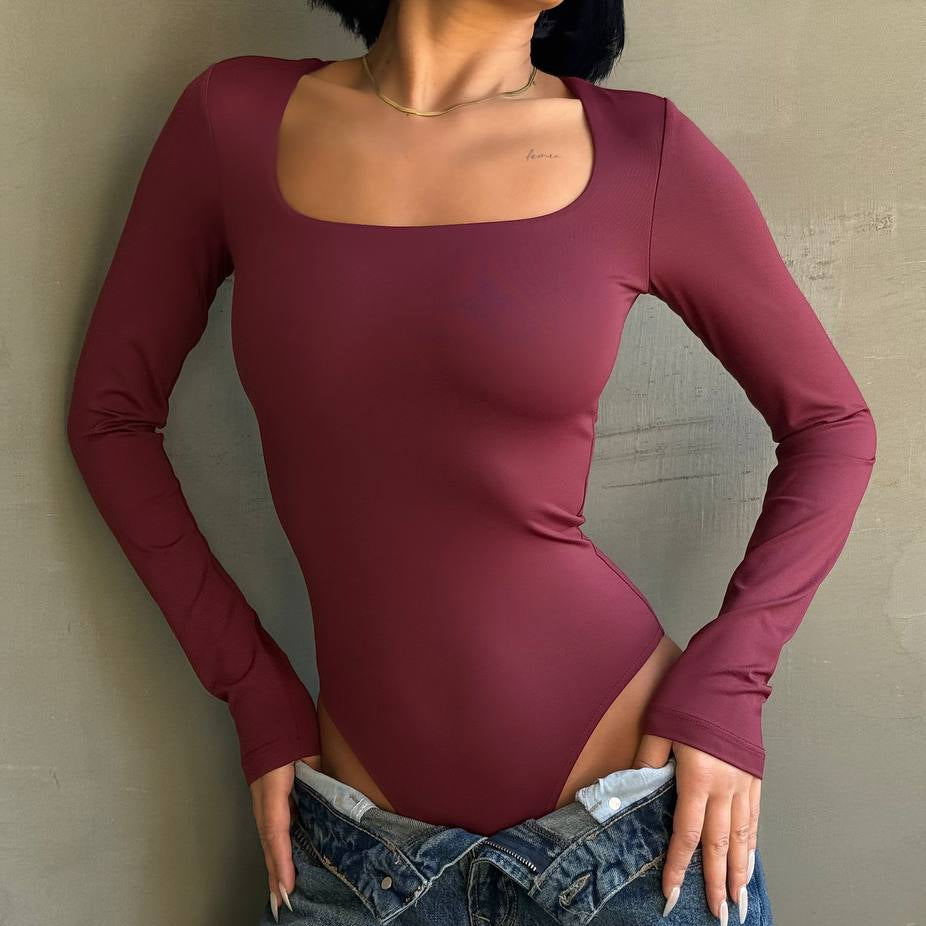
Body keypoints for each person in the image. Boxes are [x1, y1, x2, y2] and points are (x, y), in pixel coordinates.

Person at [65, 0, 877, 923]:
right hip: (356, 857)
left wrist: (731, 684)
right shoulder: (233, 120)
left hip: (633, 842)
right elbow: (109, 419)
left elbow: (833, 425)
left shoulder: (639, 151)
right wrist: (254, 690)